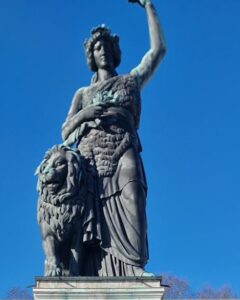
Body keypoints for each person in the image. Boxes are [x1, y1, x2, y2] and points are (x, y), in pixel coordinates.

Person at [61, 0, 166, 276]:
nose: (103, 51)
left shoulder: (130, 82)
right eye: (98, 47)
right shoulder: (82, 94)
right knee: (90, 214)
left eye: (107, 46)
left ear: (115, 51)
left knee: (132, 194)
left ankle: (132, 266)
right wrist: (85, 115)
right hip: (90, 157)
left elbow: (158, 51)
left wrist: (149, 7)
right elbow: (64, 132)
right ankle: (90, 270)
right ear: (91, 55)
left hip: (123, 146)